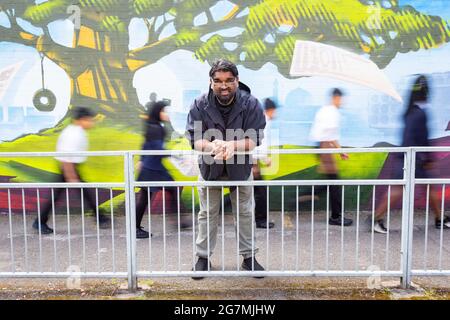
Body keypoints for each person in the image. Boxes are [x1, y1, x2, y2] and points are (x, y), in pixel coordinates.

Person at [186, 59, 266, 279]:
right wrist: (213, 146)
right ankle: (203, 258)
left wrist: (232, 146)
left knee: (245, 213)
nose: (224, 86)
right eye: (218, 81)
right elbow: (195, 140)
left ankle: (249, 258)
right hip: (210, 167)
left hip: (239, 167)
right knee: (207, 213)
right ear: (211, 82)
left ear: (237, 81)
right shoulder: (199, 104)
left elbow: (254, 139)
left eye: (229, 80)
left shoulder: (251, 104)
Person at [373, 75, 450, 233]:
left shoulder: (411, 111)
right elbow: (418, 138)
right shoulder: (420, 113)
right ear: (426, 92)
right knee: (402, 189)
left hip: (411, 158)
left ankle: (439, 218)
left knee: (427, 188)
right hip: (414, 159)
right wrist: (427, 158)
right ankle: (376, 218)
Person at [32, 107, 110, 234]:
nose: (91, 123)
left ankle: (100, 218)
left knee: (82, 193)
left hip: (72, 167)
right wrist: (72, 177)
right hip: (68, 168)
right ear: (80, 120)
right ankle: (39, 222)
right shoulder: (73, 134)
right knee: (59, 196)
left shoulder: (77, 131)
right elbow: (66, 158)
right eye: (89, 120)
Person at [135, 100, 189, 239]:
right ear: (157, 112)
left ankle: (180, 221)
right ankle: (135, 228)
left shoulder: (153, 125)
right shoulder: (156, 128)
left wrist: (141, 159)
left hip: (153, 166)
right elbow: (157, 148)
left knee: (169, 190)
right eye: (164, 111)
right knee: (145, 198)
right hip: (152, 169)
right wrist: (177, 157)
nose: (167, 114)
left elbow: (145, 144)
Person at [309, 88, 353, 227]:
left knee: (331, 181)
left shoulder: (325, 110)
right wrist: (340, 151)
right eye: (341, 99)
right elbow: (331, 135)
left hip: (322, 145)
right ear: (336, 98)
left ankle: (307, 194)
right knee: (335, 183)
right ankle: (335, 217)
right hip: (324, 145)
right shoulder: (332, 111)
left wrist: (339, 151)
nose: (341, 102)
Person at [252, 98, 277, 229]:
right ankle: (260, 220)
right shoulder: (264, 121)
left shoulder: (258, 118)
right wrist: (264, 158)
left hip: (252, 160)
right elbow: (259, 143)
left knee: (254, 191)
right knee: (260, 192)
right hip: (253, 161)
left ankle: (258, 219)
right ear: (271, 110)